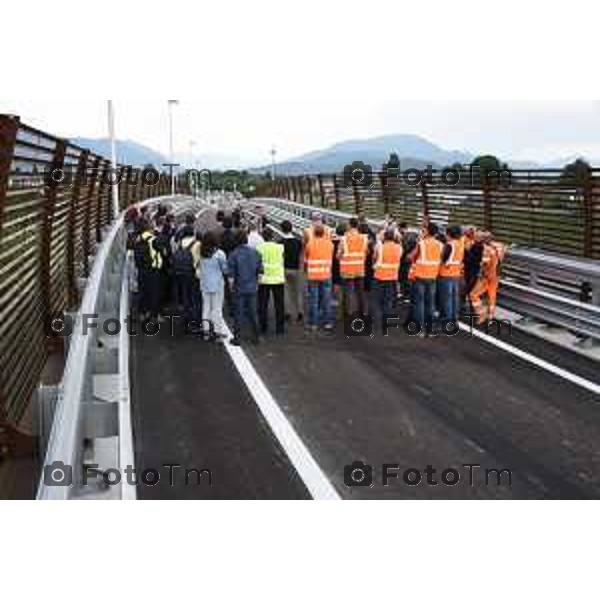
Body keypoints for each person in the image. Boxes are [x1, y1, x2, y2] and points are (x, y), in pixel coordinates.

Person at [228, 230, 263, 346]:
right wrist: (257, 284)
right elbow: (260, 273)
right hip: (252, 287)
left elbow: (231, 277)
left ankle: (237, 338)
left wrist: (231, 288)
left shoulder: (233, 254)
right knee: (253, 313)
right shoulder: (256, 253)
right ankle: (256, 337)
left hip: (239, 288)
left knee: (239, 313)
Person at [409, 222, 443, 335]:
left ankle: (421, 330)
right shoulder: (440, 245)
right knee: (431, 304)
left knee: (420, 303)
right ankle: (431, 329)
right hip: (433, 276)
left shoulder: (422, 243)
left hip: (420, 276)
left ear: (427, 231)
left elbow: (411, 256)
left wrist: (418, 242)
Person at [198, 232, 228, 342]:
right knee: (217, 309)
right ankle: (218, 333)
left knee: (206, 307)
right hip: (217, 284)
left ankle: (206, 332)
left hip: (204, 283)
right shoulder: (220, 254)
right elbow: (225, 269)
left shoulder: (200, 252)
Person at [469, 232, 506, 324]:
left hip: (487, 276)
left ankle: (481, 313)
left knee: (473, 294)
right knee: (492, 295)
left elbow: (485, 264)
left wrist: (481, 275)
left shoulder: (487, 249)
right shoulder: (500, 246)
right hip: (496, 275)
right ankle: (491, 316)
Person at [304, 224, 335, 333]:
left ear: (314, 233)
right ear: (324, 233)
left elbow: (306, 258)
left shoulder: (310, 244)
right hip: (326, 274)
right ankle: (328, 323)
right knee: (327, 299)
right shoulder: (330, 244)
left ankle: (314, 324)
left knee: (314, 300)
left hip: (313, 275)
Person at [256, 229, 286, 337]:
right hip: (278, 278)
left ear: (263, 237)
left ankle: (263, 327)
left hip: (264, 279)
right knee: (279, 304)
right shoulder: (280, 247)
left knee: (263, 304)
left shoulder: (259, 248)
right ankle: (280, 328)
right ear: (272, 236)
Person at [134, 219, 164, 323]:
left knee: (142, 292)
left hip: (141, 270)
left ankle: (143, 313)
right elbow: (162, 252)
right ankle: (155, 316)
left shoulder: (138, 239)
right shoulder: (153, 239)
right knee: (155, 293)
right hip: (153, 270)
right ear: (150, 229)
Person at [172, 217, 201, 321]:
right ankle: (194, 316)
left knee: (184, 293)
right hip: (192, 272)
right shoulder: (197, 243)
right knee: (194, 294)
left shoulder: (180, 243)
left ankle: (185, 313)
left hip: (180, 271)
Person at [338, 217, 368, 316]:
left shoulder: (344, 239)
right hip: (360, 268)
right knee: (360, 293)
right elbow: (366, 252)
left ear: (349, 225)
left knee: (348, 293)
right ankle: (362, 312)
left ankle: (349, 314)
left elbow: (338, 255)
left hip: (347, 270)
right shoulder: (364, 238)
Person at [373, 228, 403, 322]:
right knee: (388, 299)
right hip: (393, 276)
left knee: (378, 299)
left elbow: (374, 258)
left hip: (379, 275)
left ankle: (377, 318)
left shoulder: (380, 247)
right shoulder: (399, 248)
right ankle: (386, 318)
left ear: (384, 237)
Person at [438, 226, 465, 325]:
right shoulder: (460, 244)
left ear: (449, 234)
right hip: (456, 273)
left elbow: (443, 259)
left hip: (446, 273)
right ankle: (455, 318)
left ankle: (447, 319)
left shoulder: (449, 245)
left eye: (446, 233)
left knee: (447, 298)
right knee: (454, 297)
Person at [281, 220, 304, 324]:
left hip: (285, 269)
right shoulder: (298, 242)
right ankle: (300, 312)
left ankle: (288, 313)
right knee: (298, 292)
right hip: (296, 269)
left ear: (282, 229)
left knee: (287, 292)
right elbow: (301, 256)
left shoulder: (280, 242)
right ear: (292, 228)